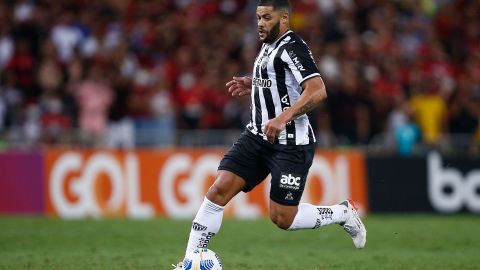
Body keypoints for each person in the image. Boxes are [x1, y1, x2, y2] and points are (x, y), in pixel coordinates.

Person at [173, 0, 366, 268]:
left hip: (291, 144)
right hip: (257, 136)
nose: (260, 23)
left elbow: (317, 90)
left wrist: (282, 118)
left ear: (284, 18)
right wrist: (253, 83)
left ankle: (343, 212)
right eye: (258, 18)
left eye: (266, 17)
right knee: (218, 190)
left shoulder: (293, 47)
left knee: (282, 218)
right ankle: (189, 261)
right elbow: (281, 83)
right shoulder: (267, 47)